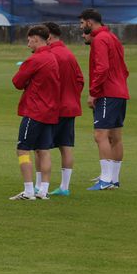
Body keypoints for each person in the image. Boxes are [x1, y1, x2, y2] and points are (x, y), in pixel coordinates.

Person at [80, 8, 129, 190]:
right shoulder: (112, 37)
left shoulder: (99, 39)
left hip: (108, 92)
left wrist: (94, 92)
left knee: (100, 135)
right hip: (119, 91)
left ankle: (106, 180)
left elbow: (102, 69)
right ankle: (113, 179)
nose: (81, 27)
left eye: (82, 23)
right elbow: (124, 67)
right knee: (115, 137)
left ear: (90, 23)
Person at [10, 25, 61, 201]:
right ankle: (43, 190)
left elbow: (17, 81)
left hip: (34, 110)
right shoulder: (53, 57)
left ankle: (29, 190)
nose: (28, 44)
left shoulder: (35, 59)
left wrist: (27, 82)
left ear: (36, 39)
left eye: (29, 40)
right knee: (44, 150)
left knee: (23, 149)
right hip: (50, 111)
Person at [45, 22, 83, 196]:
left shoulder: (50, 54)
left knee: (41, 147)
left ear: (49, 36)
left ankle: (39, 186)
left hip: (54, 108)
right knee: (66, 146)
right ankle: (65, 187)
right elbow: (80, 80)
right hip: (70, 106)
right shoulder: (69, 54)